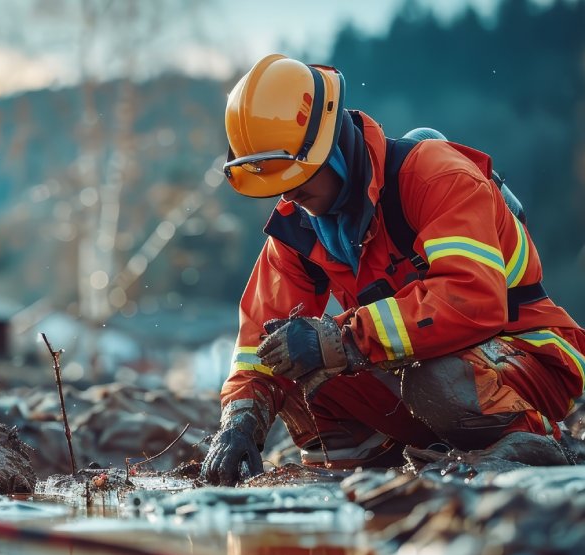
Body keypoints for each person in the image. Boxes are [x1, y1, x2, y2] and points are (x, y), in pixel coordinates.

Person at [201, 53, 585, 485]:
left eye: (297, 178)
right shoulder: (300, 225)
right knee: (292, 362)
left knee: (430, 375)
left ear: (330, 148)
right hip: (432, 376)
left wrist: (339, 338)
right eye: (278, 184)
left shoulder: (436, 178)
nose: (289, 196)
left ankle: (531, 442)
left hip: (530, 357)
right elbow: (257, 342)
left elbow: (472, 299)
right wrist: (239, 422)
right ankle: (365, 475)